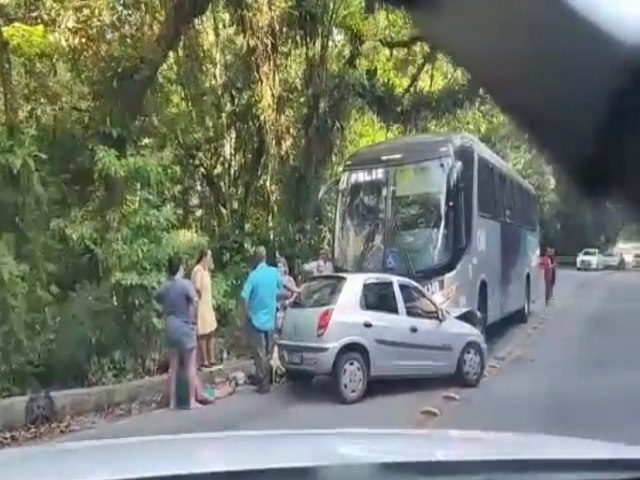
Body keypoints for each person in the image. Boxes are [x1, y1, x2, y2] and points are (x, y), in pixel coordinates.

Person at [154, 255, 200, 409]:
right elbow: (195, 301)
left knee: (173, 367)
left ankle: (173, 402)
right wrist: (193, 321)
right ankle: (191, 401)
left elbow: (156, 298)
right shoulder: (186, 284)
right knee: (190, 366)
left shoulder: (165, 287)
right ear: (180, 267)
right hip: (184, 326)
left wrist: (165, 312)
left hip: (170, 326)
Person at [241, 246, 283, 394]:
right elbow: (283, 287)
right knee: (267, 353)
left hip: (257, 321)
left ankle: (263, 382)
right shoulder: (273, 273)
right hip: (270, 321)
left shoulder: (253, 276)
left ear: (256, 258)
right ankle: (266, 379)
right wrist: (296, 291)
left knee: (259, 354)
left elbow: (244, 297)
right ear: (265, 258)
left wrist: (248, 313)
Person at [191, 248, 217, 369]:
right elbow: (196, 287)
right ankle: (204, 360)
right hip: (201, 304)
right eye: (209, 257)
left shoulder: (206, 271)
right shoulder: (198, 270)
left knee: (211, 331)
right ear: (204, 257)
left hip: (207, 304)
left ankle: (211, 358)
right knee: (202, 333)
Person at [275, 256, 300, 335]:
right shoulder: (274, 280)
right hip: (277, 308)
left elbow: (296, 292)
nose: (279, 269)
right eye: (277, 267)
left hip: (288, 308)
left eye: (280, 267)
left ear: (285, 268)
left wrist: (290, 300)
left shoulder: (289, 279)